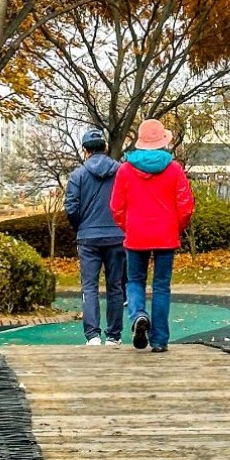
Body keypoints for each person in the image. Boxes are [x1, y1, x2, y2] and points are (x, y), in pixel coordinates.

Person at [110, 119, 194, 353]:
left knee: (135, 281)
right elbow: (185, 206)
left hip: (136, 234)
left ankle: (138, 314)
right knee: (161, 286)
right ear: (162, 141)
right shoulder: (174, 169)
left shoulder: (125, 170)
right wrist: (176, 227)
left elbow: (116, 207)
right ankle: (159, 340)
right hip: (166, 234)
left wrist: (127, 227)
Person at [64, 127, 125, 347]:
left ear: (85, 150)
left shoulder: (78, 175)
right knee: (115, 286)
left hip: (88, 237)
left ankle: (92, 335)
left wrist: (80, 227)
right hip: (117, 235)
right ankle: (114, 335)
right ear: (105, 147)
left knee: (89, 287)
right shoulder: (121, 172)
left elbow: (71, 208)